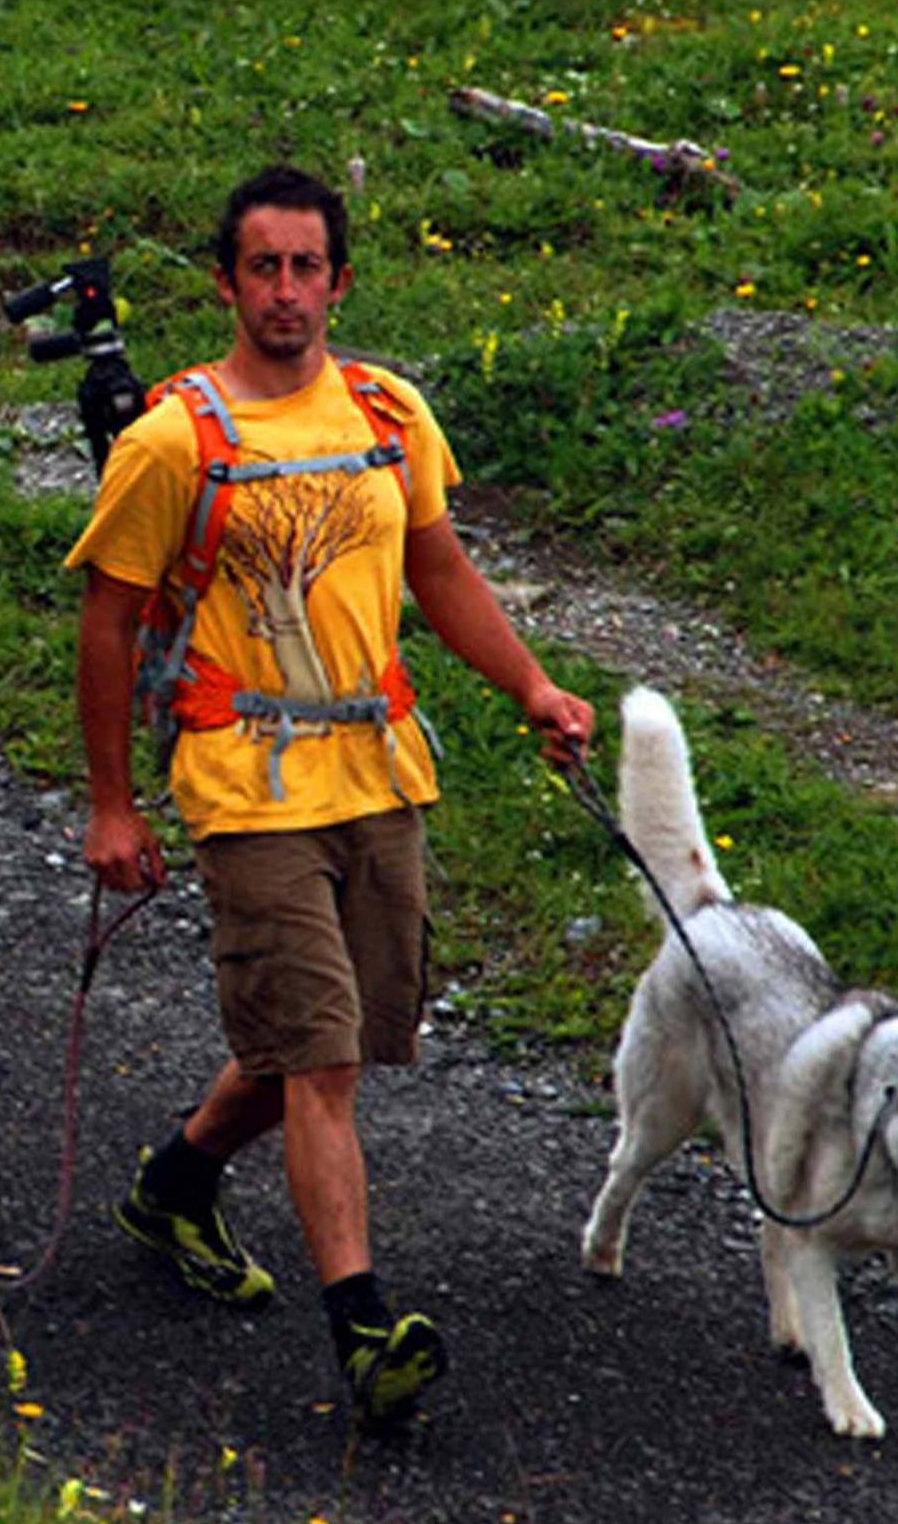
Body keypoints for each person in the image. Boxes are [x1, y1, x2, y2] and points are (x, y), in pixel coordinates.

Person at [68, 162, 593, 1424]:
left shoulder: (386, 413)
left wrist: (531, 688)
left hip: (379, 769)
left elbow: (438, 566)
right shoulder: (170, 439)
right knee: (321, 1063)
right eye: (264, 268)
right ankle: (365, 1332)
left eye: (308, 268)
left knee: (333, 1036)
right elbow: (108, 621)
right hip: (245, 785)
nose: (287, 293)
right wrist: (112, 805)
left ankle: (176, 1186)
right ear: (226, 282)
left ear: (339, 281)